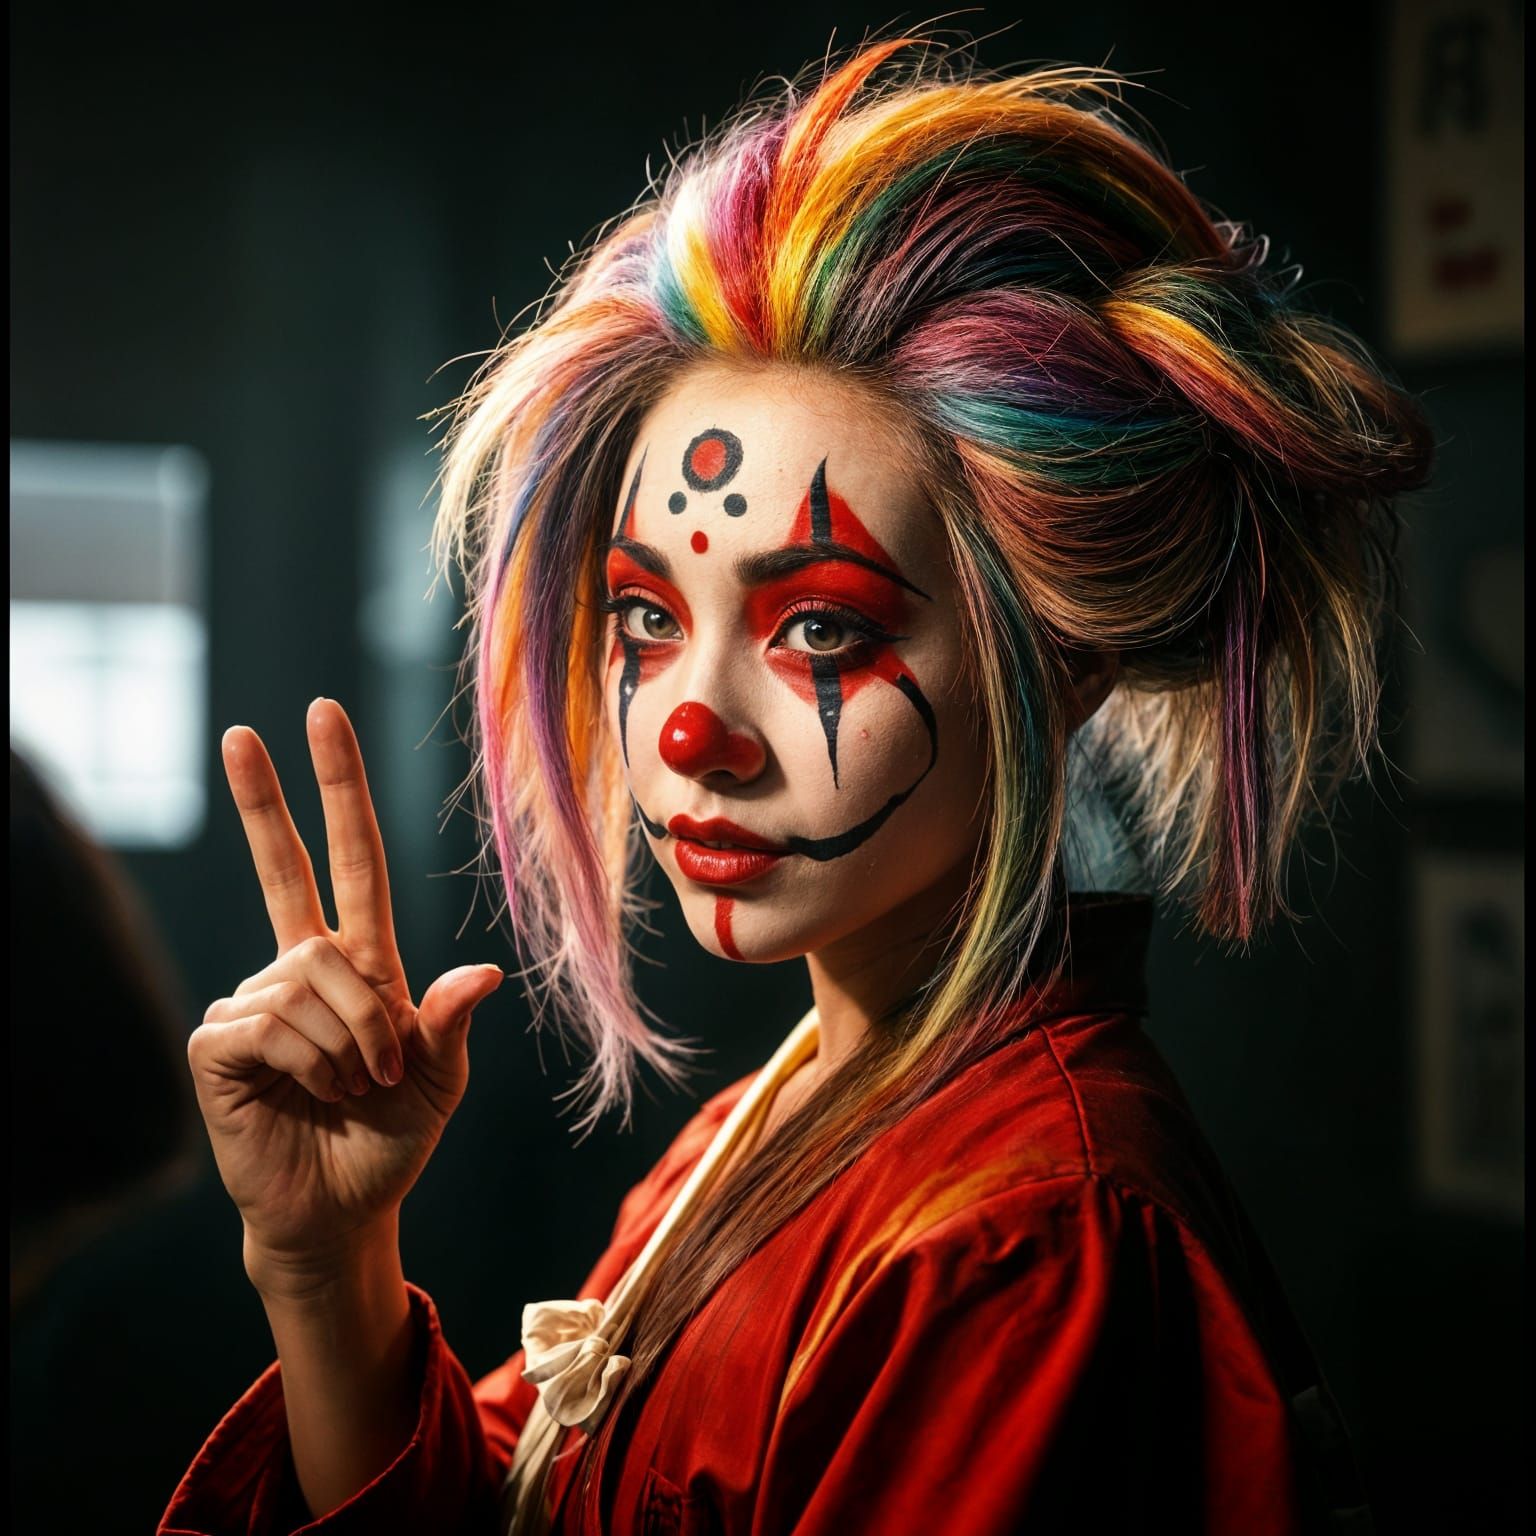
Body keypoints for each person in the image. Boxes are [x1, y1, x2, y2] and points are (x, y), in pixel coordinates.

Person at [159, 34, 1433, 1536]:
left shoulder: (1023, 1247)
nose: (692, 727)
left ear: (1061, 659)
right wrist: (325, 1264)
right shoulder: (795, 1110)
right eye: (646, 616)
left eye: (818, 625)